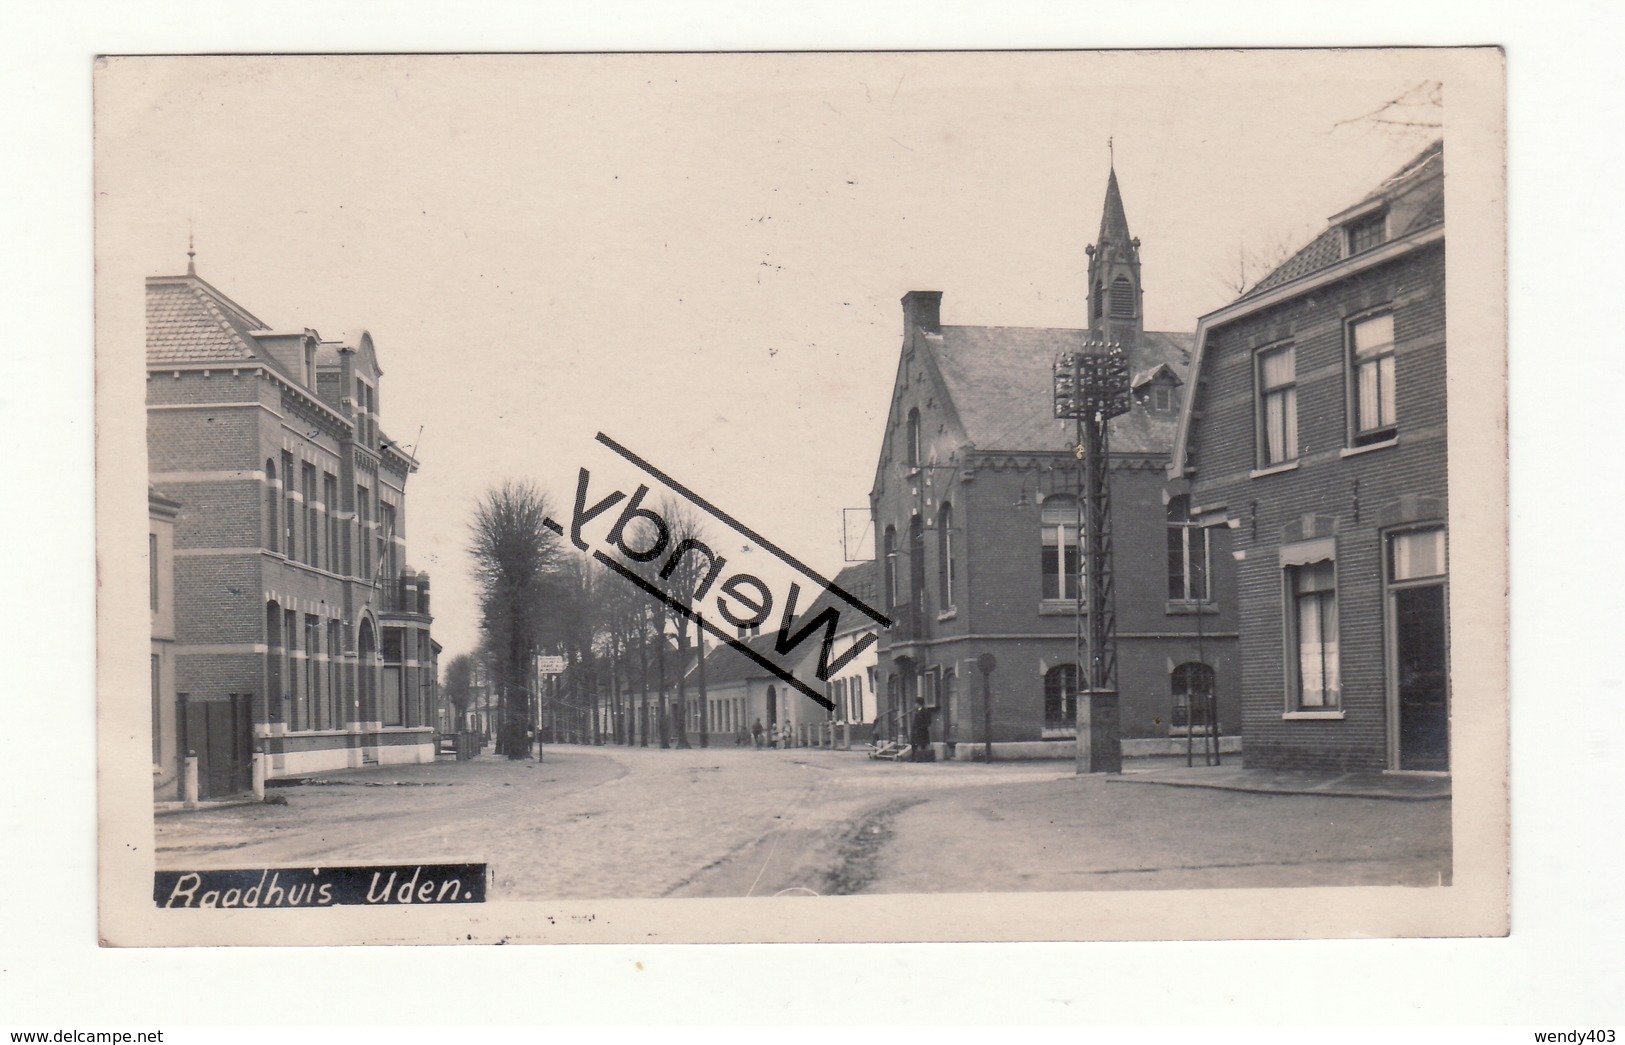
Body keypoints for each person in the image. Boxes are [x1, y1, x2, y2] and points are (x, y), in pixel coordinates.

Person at [909, 698, 936, 762]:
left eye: (916, 703)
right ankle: (913, 758)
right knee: (914, 745)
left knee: (922, 744)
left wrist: (922, 727)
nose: (915, 705)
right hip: (915, 731)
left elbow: (928, 721)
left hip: (922, 731)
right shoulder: (916, 711)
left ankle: (922, 758)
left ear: (919, 704)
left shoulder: (925, 711)